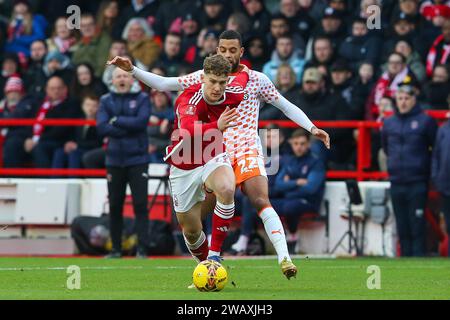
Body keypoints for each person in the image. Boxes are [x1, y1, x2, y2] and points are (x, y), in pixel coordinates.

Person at [108, 30, 330, 279]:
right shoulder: (192, 89)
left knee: (240, 193)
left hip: (225, 150)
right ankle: (205, 263)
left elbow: (283, 104)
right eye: (222, 50)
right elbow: (166, 88)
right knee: (191, 228)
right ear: (211, 62)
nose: (227, 55)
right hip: (188, 157)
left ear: (241, 52)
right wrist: (133, 70)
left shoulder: (249, 81)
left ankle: (245, 256)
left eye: (232, 51)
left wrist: (311, 127)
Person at [162, 54, 249, 266]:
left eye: (222, 82)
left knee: (228, 189)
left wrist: (245, 70)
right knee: (191, 231)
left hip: (213, 155)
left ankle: (215, 255)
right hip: (184, 164)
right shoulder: (188, 99)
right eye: (212, 81)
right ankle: (205, 268)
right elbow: (187, 131)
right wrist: (216, 126)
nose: (217, 87)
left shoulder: (235, 93)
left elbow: (242, 77)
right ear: (202, 78)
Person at [96, 67, 151, 258]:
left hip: (137, 159)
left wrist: (116, 120)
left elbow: (141, 123)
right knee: (115, 206)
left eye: (125, 75)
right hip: (114, 160)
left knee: (140, 204)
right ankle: (115, 249)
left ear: (131, 79)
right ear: (112, 80)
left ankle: (143, 248)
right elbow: (101, 128)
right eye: (118, 76)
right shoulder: (105, 100)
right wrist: (128, 126)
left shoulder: (142, 98)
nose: (122, 79)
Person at [382, 81, 438, 256]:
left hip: (417, 180)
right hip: (396, 180)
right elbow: (386, 148)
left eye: (407, 98)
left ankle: (419, 260)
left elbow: (434, 147)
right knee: (402, 225)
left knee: (417, 225)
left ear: (414, 99)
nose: (403, 102)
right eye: (400, 98)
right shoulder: (389, 122)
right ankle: (405, 262)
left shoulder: (426, 121)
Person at [272, 129, 326, 253]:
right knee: (265, 206)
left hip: (308, 201)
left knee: (290, 207)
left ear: (308, 145)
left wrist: (288, 184)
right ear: (291, 144)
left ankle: (292, 237)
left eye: (302, 144)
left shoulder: (315, 162)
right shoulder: (289, 161)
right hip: (289, 198)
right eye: (296, 144)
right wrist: (297, 182)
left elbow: (311, 188)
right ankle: (277, 237)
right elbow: (278, 185)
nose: (299, 147)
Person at [24, 76, 79, 168]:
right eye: (52, 88)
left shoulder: (71, 104)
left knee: (39, 148)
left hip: (59, 140)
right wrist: (29, 138)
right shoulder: (39, 104)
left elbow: (61, 129)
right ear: (47, 90)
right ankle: (10, 178)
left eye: (59, 88)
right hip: (39, 139)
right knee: (14, 144)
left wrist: (37, 140)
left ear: (65, 89)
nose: (56, 91)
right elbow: (30, 122)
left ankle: (45, 180)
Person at [52, 95, 102, 169]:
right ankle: (54, 180)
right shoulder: (78, 120)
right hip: (77, 148)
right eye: (87, 105)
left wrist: (77, 146)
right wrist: (69, 143)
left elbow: (98, 143)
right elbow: (72, 136)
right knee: (59, 153)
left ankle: (73, 180)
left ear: (99, 107)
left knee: (74, 154)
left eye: (94, 106)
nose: (90, 108)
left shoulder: (101, 122)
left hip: (90, 150)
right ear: (82, 106)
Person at [0, 76, 36, 167]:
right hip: (7, 136)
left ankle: (10, 178)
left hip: (21, 137)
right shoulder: (3, 105)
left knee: (11, 145)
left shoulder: (28, 103)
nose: (12, 95)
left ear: (21, 92)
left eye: (15, 91)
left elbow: (15, 118)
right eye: (10, 92)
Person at [431, 97, 450, 257]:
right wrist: (437, 177)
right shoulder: (443, 129)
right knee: (449, 224)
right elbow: (436, 155)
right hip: (446, 185)